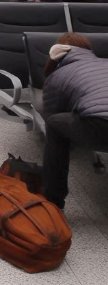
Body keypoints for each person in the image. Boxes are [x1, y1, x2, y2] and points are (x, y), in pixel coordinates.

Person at [42, 33, 108, 210]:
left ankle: (53, 201)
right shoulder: (104, 62)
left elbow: (51, 114)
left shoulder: (58, 75)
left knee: (55, 124)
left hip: (101, 126)